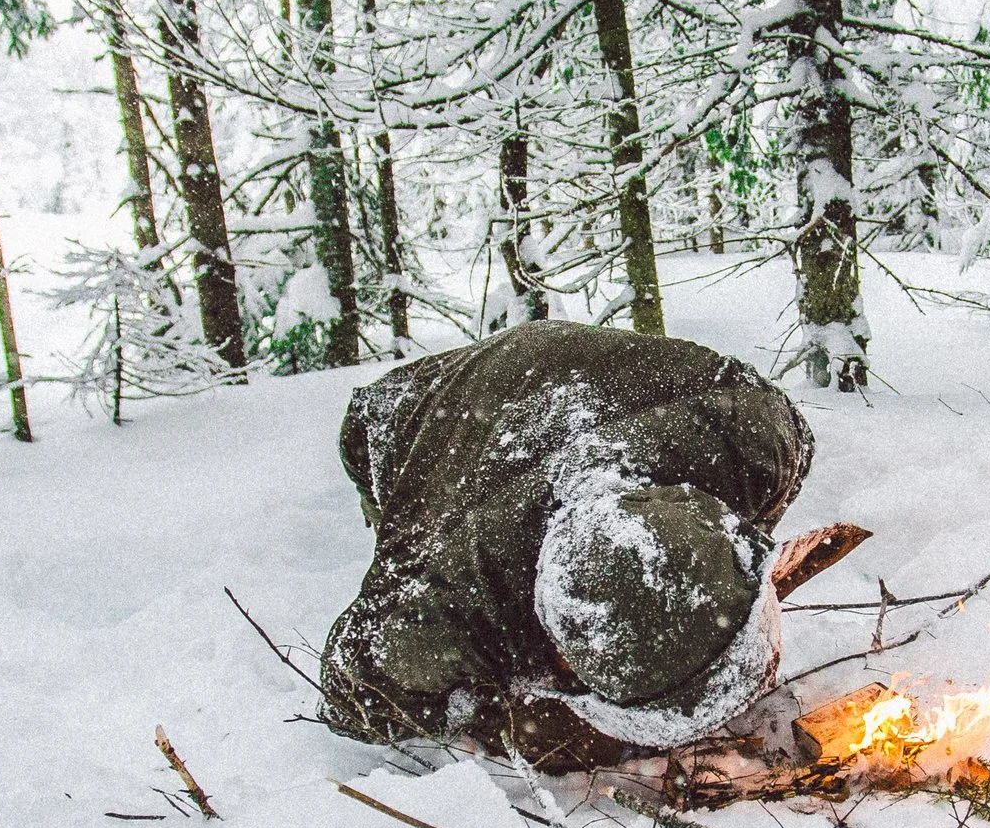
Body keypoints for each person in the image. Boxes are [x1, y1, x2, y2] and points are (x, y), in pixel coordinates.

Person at [320, 320, 813, 767]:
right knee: (403, 530)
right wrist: (506, 714)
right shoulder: (449, 598)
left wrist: (712, 584)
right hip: (404, 410)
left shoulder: (753, 431)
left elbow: (791, 445)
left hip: (554, 378)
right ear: (558, 650)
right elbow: (348, 697)